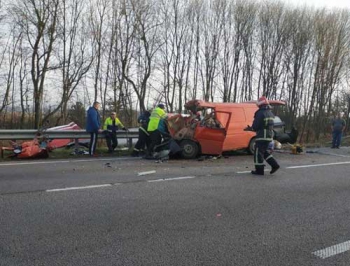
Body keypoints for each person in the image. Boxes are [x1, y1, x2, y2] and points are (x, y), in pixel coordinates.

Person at [251, 96, 280, 175]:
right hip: (269, 136)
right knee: (263, 152)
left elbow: (255, 126)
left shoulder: (260, 113)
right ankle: (275, 165)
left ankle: (259, 171)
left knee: (257, 153)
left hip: (261, 136)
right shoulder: (270, 113)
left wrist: (251, 128)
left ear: (260, 104)